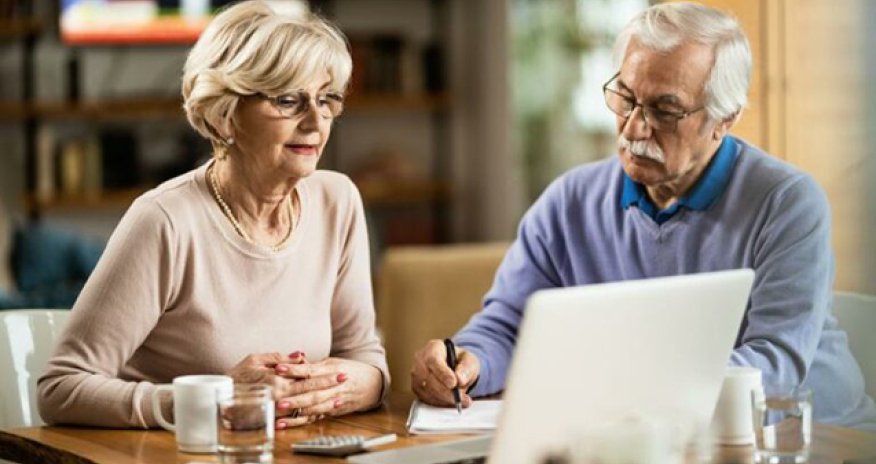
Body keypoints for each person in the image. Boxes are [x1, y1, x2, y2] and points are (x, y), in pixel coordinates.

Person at [411, 2, 876, 430]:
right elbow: (509, 325)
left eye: (664, 110)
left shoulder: (787, 202)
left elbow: (773, 366)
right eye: (626, 97)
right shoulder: (568, 201)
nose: (634, 126)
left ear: (724, 119)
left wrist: (623, 391)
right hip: (650, 437)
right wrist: (468, 362)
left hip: (812, 437)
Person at [38, 0, 388, 429]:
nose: (316, 122)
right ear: (225, 116)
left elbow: (366, 361)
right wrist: (212, 398)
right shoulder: (164, 221)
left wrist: (346, 385)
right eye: (288, 100)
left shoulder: (338, 202)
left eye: (326, 99)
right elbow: (61, 389)